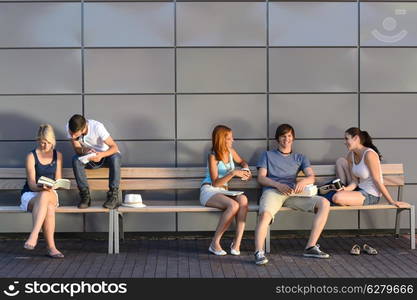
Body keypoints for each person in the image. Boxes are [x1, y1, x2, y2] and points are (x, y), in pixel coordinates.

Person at [254, 124, 331, 265]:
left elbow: (311, 176)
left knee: (324, 203)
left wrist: (304, 181)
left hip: (293, 194)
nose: (286, 139)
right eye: (283, 136)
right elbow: (261, 178)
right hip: (273, 191)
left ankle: (310, 247)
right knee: (265, 215)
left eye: (289, 136)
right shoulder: (267, 155)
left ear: (293, 138)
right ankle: (259, 252)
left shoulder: (300, 157)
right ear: (278, 138)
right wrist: (278, 185)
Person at [325, 127, 408, 208]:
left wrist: (391, 201)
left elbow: (377, 180)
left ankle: (338, 199)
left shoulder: (369, 154)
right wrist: (346, 189)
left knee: (337, 197)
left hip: (370, 194)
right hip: (359, 189)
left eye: (346, 139)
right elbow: (354, 181)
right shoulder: (351, 155)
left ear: (356, 138)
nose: (344, 142)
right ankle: (341, 195)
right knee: (341, 161)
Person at [200, 125, 251, 256]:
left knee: (243, 200)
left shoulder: (230, 151)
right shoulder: (213, 156)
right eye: (229, 138)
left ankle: (237, 243)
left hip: (224, 191)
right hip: (210, 190)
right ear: (221, 139)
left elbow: (242, 161)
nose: (232, 140)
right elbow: (215, 182)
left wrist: (246, 169)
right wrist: (233, 173)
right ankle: (214, 243)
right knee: (233, 205)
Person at [21, 124, 64, 258]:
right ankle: (51, 248)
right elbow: (32, 183)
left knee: (46, 195)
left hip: (50, 192)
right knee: (49, 208)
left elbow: (58, 180)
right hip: (31, 194)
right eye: (41, 142)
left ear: (53, 141)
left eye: (47, 143)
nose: (43, 145)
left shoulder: (58, 156)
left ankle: (34, 235)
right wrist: (40, 187)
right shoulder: (31, 156)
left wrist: (53, 185)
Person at [67, 114, 121, 209]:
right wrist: (85, 151)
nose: (72, 136)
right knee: (76, 159)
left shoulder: (97, 127)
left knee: (116, 157)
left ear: (83, 129)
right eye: (71, 133)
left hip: (105, 157)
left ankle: (113, 196)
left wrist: (101, 155)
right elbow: (77, 148)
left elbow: (114, 147)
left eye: (75, 134)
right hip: (90, 157)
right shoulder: (70, 127)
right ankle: (85, 197)